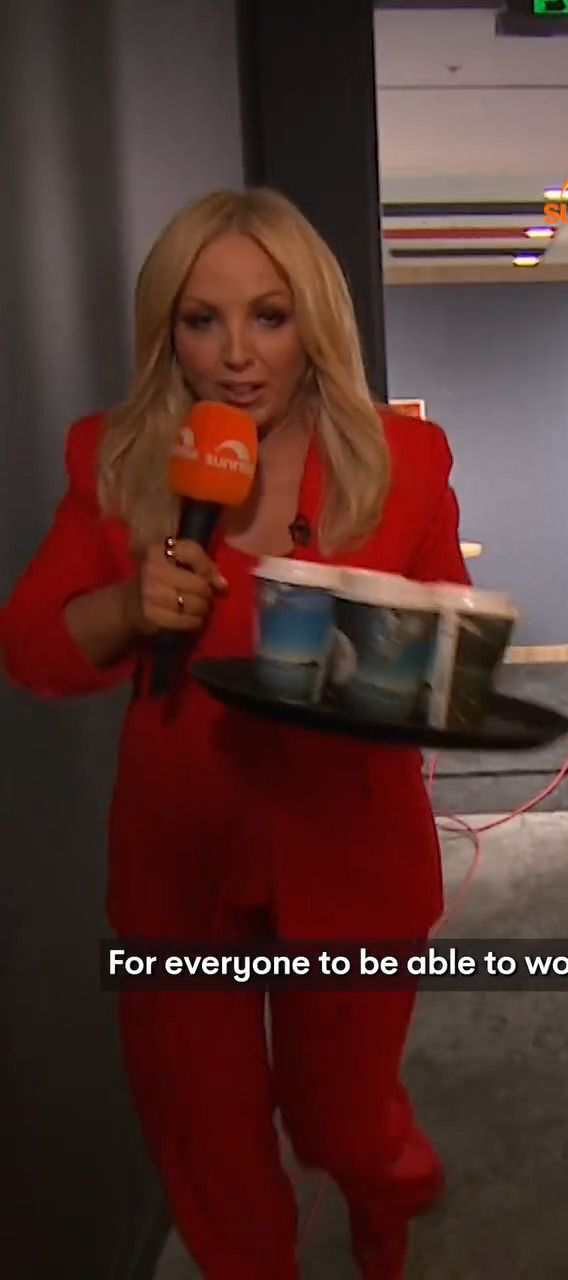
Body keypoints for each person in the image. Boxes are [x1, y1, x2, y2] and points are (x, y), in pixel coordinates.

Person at [0, 187, 470, 1279]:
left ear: (316, 322)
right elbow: (31, 646)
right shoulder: (115, 458)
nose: (237, 355)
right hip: (178, 860)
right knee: (208, 1150)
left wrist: (357, 655)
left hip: (349, 850)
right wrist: (128, 606)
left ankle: (386, 1192)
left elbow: (443, 662)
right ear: (167, 329)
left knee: (343, 1122)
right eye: (201, 320)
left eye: (269, 315)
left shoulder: (404, 461)